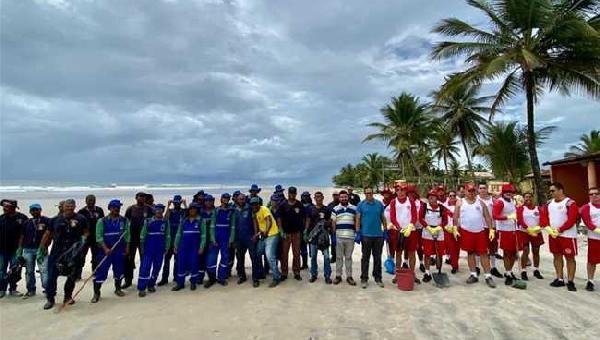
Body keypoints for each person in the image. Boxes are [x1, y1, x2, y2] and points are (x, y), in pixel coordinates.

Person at [39, 199, 88, 309]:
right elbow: (48, 234)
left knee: (71, 276)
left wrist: (83, 239)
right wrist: (42, 247)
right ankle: (50, 299)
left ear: (75, 207)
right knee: (52, 276)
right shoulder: (55, 220)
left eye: (72, 206)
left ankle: (68, 297)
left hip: (73, 252)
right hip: (57, 252)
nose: (69, 208)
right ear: (63, 207)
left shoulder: (81, 218)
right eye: (67, 206)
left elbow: (86, 231)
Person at [453, 183, 497, 288]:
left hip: (479, 232)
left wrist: (491, 229)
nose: (471, 193)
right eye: (469, 191)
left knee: (483, 254)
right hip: (466, 231)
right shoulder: (460, 202)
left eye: (473, 191)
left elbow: (487, 217)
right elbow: (455, 217)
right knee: (470, 253)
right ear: (465, 191)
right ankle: (473, 274)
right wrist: (455, 228)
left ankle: (488, 275)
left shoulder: (480, 202)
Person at [91, 200, 130, 303]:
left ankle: (118, 289)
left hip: (119, 250)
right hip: (105, 251)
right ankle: (96, 293)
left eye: (118, 207)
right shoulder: (102, 221)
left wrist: (127, 248)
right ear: (109, 208)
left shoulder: (124, 220)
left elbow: (127, 236)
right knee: (101, 272)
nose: (116, 209)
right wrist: (105, 249)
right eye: (114, 207)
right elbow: (98, 237)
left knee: (119, 270)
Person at [545, 182, 579, 291]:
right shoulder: (549, 203)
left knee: (570, 258)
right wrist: (549, 228)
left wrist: (560, 229)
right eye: (550, 191)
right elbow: (544, 217)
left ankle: (570, 281)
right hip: (554, 235)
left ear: (560, 190)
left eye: (553, 190)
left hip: (567, 236)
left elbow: (572, 220)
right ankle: (559, 279)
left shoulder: (569, 203)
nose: (551, 193)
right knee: (557, 256)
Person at [387, 183, 419, 283]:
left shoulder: (411, 201)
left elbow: (414, 216)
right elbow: (392, 217)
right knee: (398, 253)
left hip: (411, 231)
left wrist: (410, 226)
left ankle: (412, 274)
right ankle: (397, 274)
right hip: (398, 231)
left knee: (411, 253)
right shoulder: (393, 202)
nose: (400, 192)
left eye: (402, 190)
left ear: (406, 191)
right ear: (395, 191)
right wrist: (399, 228)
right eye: (398, 190)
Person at [492, 184, 522, 286]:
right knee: (507, 253)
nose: (509, 193)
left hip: (514, 229)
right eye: (507, 192)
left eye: (511, 192)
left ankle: (509, 271)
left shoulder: (513, 201)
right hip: (504, 230)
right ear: (503, 192)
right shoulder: (500, 202)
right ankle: (508, 273)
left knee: (514, 252)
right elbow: (495, 216)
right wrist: (508, 217)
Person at [137, 204, 170, 297]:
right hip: (149, 249)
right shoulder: (148, 221)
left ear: (163, 211)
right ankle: (142, 288)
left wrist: (167, 247)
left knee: (157, 267)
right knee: (145, 268)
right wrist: (142, 248)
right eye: (157, 210)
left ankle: (151, 284)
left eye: (161, 210)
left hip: (160, 249)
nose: (159, 212)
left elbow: (168, 236)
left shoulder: (165, 222)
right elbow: (142, 236)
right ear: (154, 211)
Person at [172, 202, 206, 291]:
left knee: (194, 264)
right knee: (181, 264)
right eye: (191, 209)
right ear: (189, 210)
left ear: (197, 210)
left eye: (194, 209)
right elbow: (178, 234)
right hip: (183, 247)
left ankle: (193, 283)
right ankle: (180, 283)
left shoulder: (200, 221)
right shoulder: (184, 220)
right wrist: (175, 245)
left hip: (194, 247)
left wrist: (201, 247)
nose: (193, 210)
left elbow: (203, 235)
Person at [356, 188, 386, 288]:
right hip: (366, 235)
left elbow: (383, 217)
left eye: (370, 192)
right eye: (366, 193)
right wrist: (358, 232)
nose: (368, 194)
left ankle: (378, 277)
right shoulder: (361, 205)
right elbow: (358, 218)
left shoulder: (379, 204)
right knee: (365, 258)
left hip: (378, 235)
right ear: (364, 194)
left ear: (373, 193)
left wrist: (385, 230)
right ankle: (364, 278)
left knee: (377, 258)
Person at [20, 203, 50, 298]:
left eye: (36, 209)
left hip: (41, 250)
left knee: (44, 270)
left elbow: (50, 235)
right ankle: (31, 290)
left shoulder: (47, 221)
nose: (34, 211)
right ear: (30, 211)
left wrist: (45, 246)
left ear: (40, 210)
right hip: (27, 250)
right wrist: (19, 249)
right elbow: (22, 236)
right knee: (29, 271)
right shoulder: (26, 222)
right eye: (32, 210)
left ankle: (47, 289)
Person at [123, 192, 153, 289]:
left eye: (144, 197)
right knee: (129, 259)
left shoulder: (149, 209)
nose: (142, 198)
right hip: (132, 238)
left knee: (145, 260)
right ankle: (128, 280)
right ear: (136, 198)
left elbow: (154, 220)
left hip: (144, 239)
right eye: (140, 197)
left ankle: (144, 279)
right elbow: (125, 223)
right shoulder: (130, 209)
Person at [205, 193, 236, 287]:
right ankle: (211, 278)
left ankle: (221, 278)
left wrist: (231, 239)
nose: (226, 199)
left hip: (226, 238)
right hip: (216, 238)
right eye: (224, 198)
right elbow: (212, 226)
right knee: (211, 259)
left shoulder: (231, 212)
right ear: (221, 199)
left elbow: (233, 226)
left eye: (227, 198)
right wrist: (212, 238)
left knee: (225, 258)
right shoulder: (216, 211)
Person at [420, 190, 449, 283]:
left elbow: (445, 221)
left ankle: (439, 269)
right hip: (427, 232)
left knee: (439, 253)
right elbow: (420, 218)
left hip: (439, 232)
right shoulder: (424, 206)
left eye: (433, 196)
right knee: (427, 253)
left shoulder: (442, 208)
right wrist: (427, 227)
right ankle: (427, 272)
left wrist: (439, 227)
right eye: (429, 196)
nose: (431, 198)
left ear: (437, 198)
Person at [0, 199, 28, 298]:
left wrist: (21, 248)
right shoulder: (1, 218)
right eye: (3, 207)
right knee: (1, 270)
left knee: (15, 270)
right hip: (2, 250)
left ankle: (13, 289)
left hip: (16, 250)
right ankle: (2, 289)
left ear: (13, 207)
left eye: (7, 207)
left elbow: (25, 234)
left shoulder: (22, 218)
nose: (4, 209)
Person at [251, 197, 281, 288]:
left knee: (269, 256)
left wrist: (266, 232)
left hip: (272, 234)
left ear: (259, 204)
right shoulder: (254, 213)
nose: (254, 206)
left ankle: (276, 277)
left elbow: (269, 221)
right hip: (264, 235)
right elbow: (259, 225)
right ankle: (260, 273)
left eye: (256, 204)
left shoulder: (264, 209)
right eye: (252, 204)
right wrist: (256, 235)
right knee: (258, 253)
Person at [277, 186, 305, 281]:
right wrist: (281, 230)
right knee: (284, 254)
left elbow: (304, 217)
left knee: (296, 253)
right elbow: (279, 218)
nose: (292, 195)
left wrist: (303, 230)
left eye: (294, 193)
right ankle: (284, 272)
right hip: (286, 233)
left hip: (296, 233)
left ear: (296, 194)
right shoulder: (283, 204)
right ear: (288, 193)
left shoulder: (299, 204)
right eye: (290, 193)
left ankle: (296, 272)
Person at [234, 193, 262, 287]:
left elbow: (254, 221)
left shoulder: (249, 208)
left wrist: (255, 234)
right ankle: (242, 276)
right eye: (240, 199)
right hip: (238, 238)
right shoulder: (234, 209)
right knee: (240, 258)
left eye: (243, 199)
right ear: (237, 200)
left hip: (250, 237)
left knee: (254, 257)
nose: (241, 200)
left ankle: (255, 278)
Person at [158, 195, 186, 286]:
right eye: (175, 202)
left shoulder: (183, 211)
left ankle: (176, 277)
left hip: (178, 240)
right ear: (173, 203)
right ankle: (164, 278)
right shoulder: (170, 211)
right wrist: (168, 206)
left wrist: (185, 205)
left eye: (178, 202)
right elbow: (165, 219)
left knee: (177, 260)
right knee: (166, 260)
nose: (177, 204)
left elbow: (188, 215)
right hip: (169, 240)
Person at [305, 191, 332, 284]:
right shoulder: (310, 209)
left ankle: (327, 276)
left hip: (324, 236)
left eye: (320, 197)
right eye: (316, 197)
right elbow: (307, 220)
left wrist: (325, 223)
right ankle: (313, 274)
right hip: (313, 236)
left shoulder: (327, 209)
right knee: (313, 257)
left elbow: (330, 221)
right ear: (314, 198)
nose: (318, 198)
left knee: (327, 257)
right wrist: (305, 231)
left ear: (323, 198)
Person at [331, 190, 358, 286]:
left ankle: (349, 276)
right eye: (342, 197)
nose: (343, 198)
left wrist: (357, 233)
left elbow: (356, 221)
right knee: (338, 258)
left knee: (348, 258)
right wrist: (333, 236)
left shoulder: (354, 208)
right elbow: (333, 223)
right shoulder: (335, 209)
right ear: (339, 198)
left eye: (345, 197)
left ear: (348, 197)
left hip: (350, 237)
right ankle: (338, 276)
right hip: (338, 237)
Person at [516, 192, 545, 280]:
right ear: (524, 199)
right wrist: (528, 229)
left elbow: (543, 220)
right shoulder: (521, 208)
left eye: (530, 197)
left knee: (536, 251)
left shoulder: (538, 209)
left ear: (533, 198)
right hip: (524, 232)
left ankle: (536, 270)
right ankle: (523, 271)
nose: (528, 199)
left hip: (536, 232)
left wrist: (537, 228)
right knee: (525, 251)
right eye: (526, 197)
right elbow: (520, 220)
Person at [76, 194, 105, 280]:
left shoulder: (99, 210)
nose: (91, 202)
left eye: (92, 200)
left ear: (95, 201)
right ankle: (77, 275)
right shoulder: (81, 212)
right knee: (81, 256)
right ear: (86, 201)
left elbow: (103, 223)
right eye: (89, 200)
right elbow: (78, 226)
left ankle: (95, 272)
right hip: (85, 238)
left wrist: (102, 237)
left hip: (96, 238)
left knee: (96, 256)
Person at [477, 183, 502, 278]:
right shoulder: (475, 200)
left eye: (484, 188)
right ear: (478, 189)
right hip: (480, 227)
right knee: (479, 249)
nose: (482, 190)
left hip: (492, 227)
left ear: (487, 189)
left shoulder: (493, 200)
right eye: (480, 188)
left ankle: (493, 267)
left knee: (492, 248)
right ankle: (477, 267)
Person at [580, 187, 600, 291]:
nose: (594, 196)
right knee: (592, 261)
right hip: (594, 239)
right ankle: (590, 281)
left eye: (596, 193)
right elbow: (588, 223)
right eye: (591, 194)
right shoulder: (586, 207)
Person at [442, 190, 460, 274]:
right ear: (448, 197)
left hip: (458, 229)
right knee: (451, 248)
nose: (452, 197)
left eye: (454, 195)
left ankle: (455, 264)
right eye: (450, 195)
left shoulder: (460, 205)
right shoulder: (444, 206)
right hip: (448, 230)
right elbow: (442, 218)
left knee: (456, 248)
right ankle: (454, 264)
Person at [327, 190, 340, 264]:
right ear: (333, 196)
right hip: (332, 227)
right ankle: (334, 256)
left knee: (340, 243)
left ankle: (340, 256)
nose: (335, 196)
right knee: (333, 243)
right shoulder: (330, 205)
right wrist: (329, 227)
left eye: (337, 195)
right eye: (334, 195)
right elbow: (328, 217)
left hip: (341, 227)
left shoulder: (342, 204)